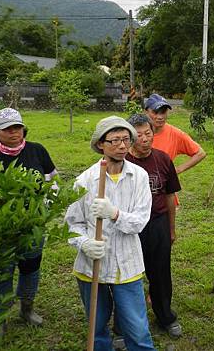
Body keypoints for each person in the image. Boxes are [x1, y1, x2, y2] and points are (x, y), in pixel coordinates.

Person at [65, 116, 155, 351]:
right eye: (115, 140)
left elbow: (140, 221)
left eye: (126, 139)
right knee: (97, 329)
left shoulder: (139, 177)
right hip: (91, 266)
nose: (122, 146)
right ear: (101, 144)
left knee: (137, 329)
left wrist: (114, 213)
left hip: (127, 265)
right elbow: (72, 224)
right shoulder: (84, 181)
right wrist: (85, 243)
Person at [0, 108, 57, 327]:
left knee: (30, 267)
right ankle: (1, 316)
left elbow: (52, 181)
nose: (14, 132)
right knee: (3, 270)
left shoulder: (37, 151)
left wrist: (46, 211)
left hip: (33, 225)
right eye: (7, 129)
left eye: (17, 127)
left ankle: (26, 308)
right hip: (1, 228)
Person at [126, 114, 182, 338]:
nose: (145, 139)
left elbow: (169, 196)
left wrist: (171, 228)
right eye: (138, 135)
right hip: (130, 225)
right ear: (130, 137)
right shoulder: (123, 163)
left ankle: (164, 316)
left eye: (148, 133)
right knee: (128, 275)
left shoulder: (163, 159)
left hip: (157, 222)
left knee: (160, 273)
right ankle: (124, 324)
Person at [144, 93, 206, 180]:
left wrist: (177, 170)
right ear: (146, 112)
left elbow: (200, 153)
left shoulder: (175, 134)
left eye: (163, 112)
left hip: (165, 189)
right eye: (155, 112)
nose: (160, 117)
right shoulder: (135, 133)